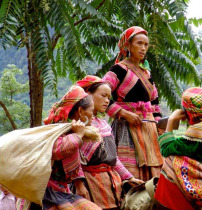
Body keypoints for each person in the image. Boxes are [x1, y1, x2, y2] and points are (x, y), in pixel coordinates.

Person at [18, 86, 101, 210]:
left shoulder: (70, 131)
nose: (94, 115)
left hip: (59, 190)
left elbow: (74, 158)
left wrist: (79, 185)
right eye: (92, 110)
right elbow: (58, 151)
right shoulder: (57, 131)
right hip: (45, 193)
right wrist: (78, 135)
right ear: (81, 112)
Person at [102, 26, 163, 180]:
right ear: (128, 46)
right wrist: (122, 113)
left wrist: (159, 126)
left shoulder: (147, 73)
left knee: (153, 177)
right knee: (129, 175)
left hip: (149, 131)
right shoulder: (118, 70)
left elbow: (155, 103)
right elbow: (99, 93)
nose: (143, 48)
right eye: (139, 43)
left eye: (146, 45)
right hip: (126, 129)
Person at [75, 75, 143, 209]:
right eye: (103, 96)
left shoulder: (104, 124)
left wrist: (129, 178)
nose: (107, 101)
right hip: (88, 184)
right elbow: (74, 159)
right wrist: (79, 185)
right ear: (88, 95)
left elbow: (113, 158)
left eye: (108, 97)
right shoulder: (78, 126)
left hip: (110, 183)